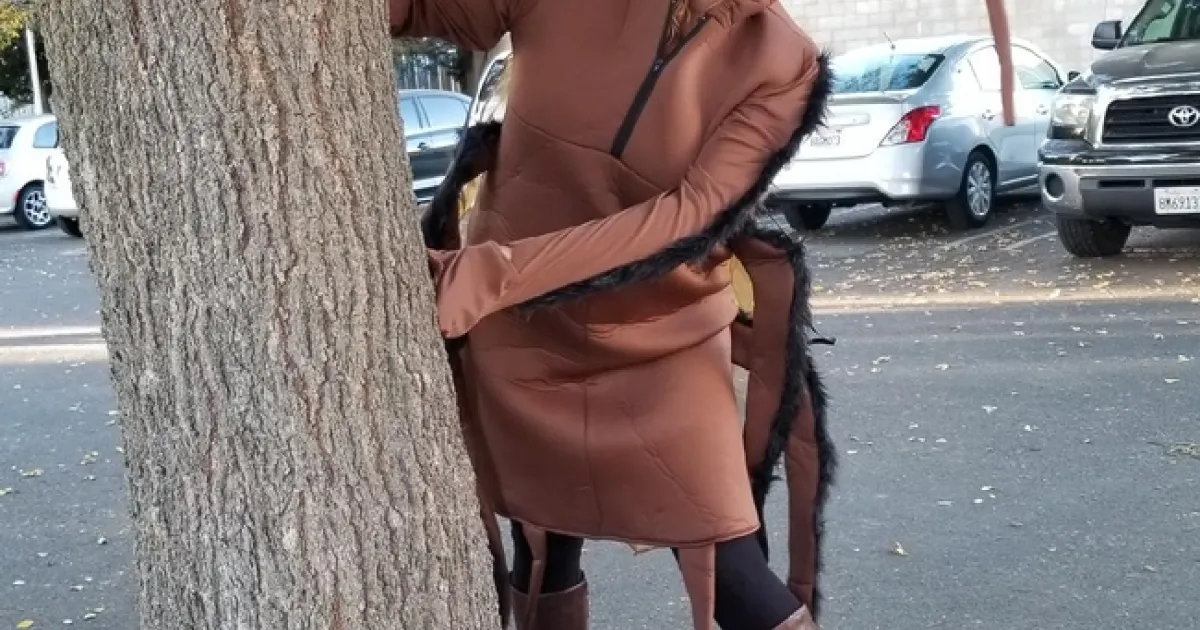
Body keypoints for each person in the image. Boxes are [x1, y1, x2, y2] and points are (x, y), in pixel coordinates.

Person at [393, 1, 1016, 629]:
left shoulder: (782, 62)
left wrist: (494, 274)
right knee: (542, 548)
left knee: (730, 564)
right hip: (520, 333)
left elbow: (690, 213)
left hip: (662, 336)